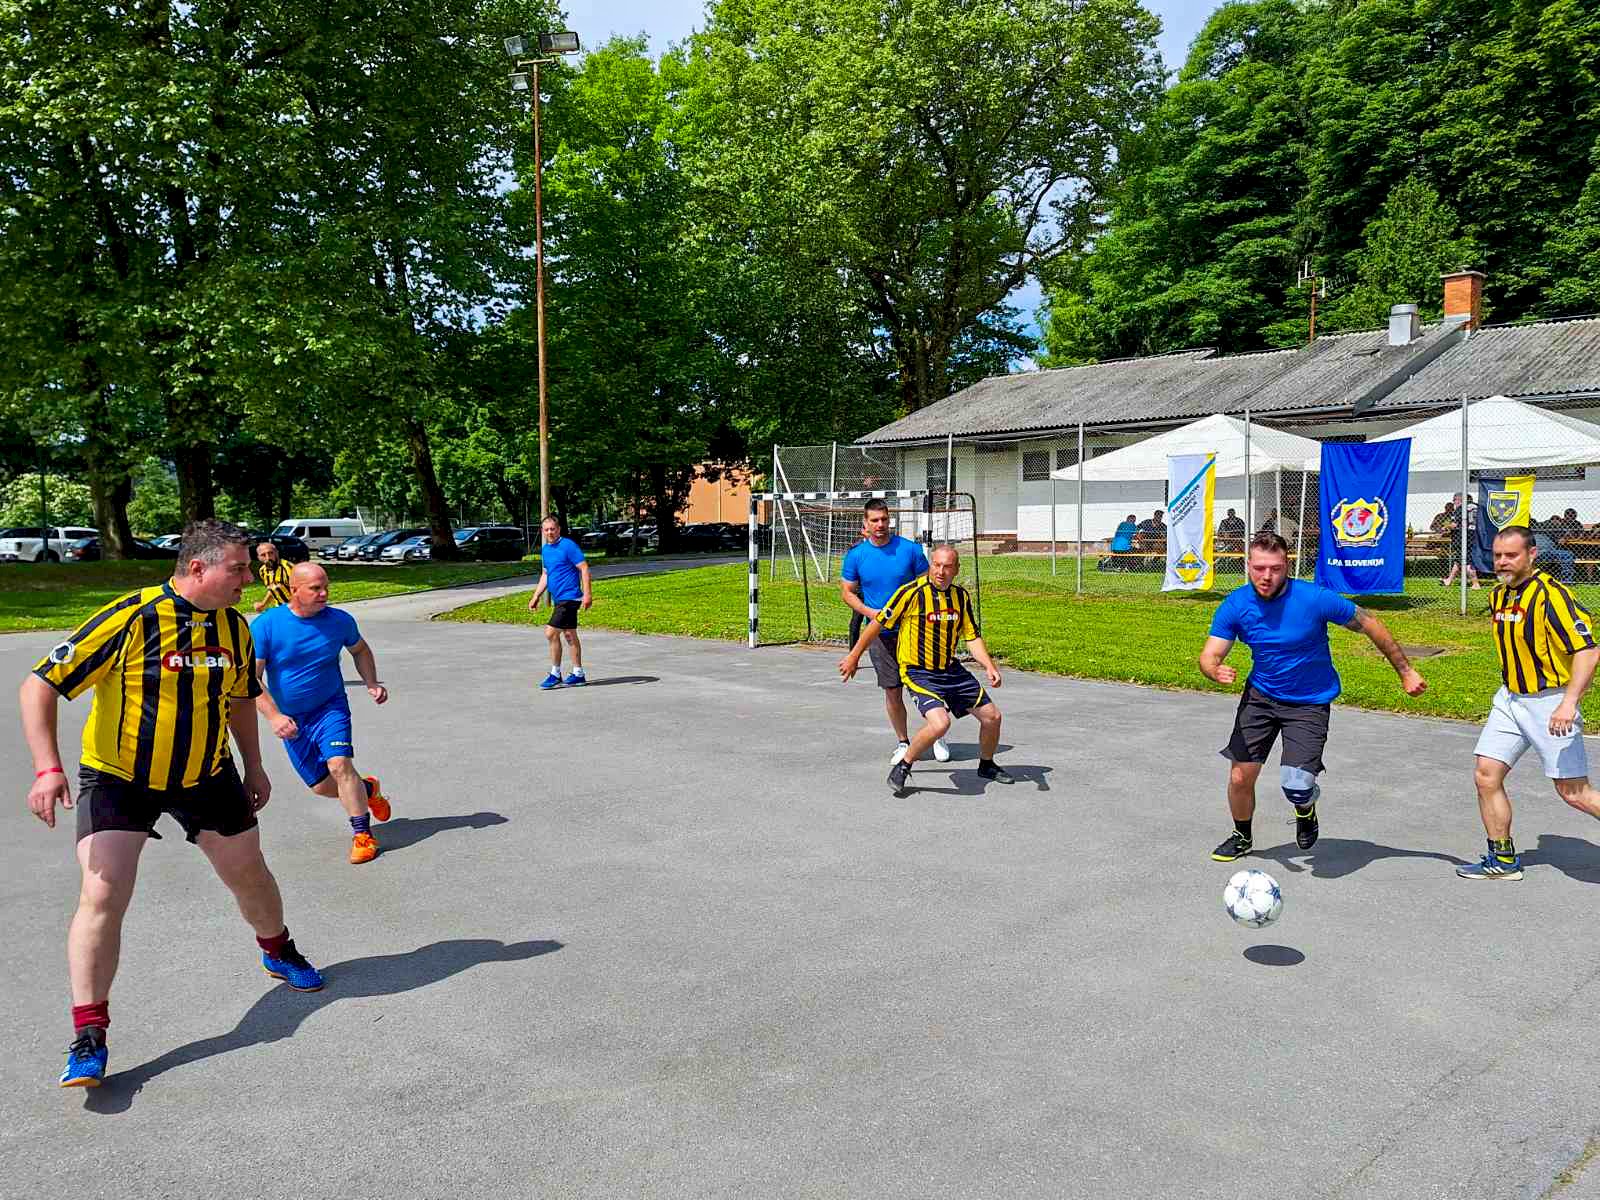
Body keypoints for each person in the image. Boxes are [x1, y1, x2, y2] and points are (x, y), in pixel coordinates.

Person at [19, 519, 325, 1089]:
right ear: (198, 568)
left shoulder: (236, 626)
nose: (250, 578)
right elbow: (40, 684)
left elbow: (238, 699)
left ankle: (278, 949)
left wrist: (253, 765)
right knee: (103, 893)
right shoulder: (130, 617)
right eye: (239, 568)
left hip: (206, 775)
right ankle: (89, 1034)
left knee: (250, 876)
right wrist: (47, 767)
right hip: (119, 779)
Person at [1198, 532, 1426, 861]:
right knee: (1240, 775)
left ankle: (1305, 809)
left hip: (1309, 702)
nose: (1266, 576)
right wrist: (1214, 669)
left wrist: (1406, 671)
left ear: (1287, 566)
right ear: (1248, 565)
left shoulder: (1314, 598)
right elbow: (1209, 655)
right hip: (1260, 698)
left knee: (1297, 785)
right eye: (1259, 567)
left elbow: (1370, 623)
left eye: (1275, 568)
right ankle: (1241, 835)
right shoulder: (1236, 604)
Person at [1458, 526, 1600, 879]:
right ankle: (1503, 860)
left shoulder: (1552, 596)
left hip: (1550, 701)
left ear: (1531, 555)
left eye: (1511, 555)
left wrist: (1568, 703)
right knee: (1485, 775)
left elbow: (1588, 652)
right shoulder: (1498, 596)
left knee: (1575, 793)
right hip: (1510, 699)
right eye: (1497, 555)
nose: (1502, 562)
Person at [839, 545, 1011, 796]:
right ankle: (904, 765)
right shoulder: (910, 593)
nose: (940, 571)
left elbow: (972, 637)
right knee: (940, 723)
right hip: (919, 671)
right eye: (936, 565)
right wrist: (854, 655)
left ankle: (986, 765)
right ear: (930, 565)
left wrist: (989, 665)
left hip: (950, 670)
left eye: (947, 566)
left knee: (992, 717)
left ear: (956, 569)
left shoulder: (961, 597)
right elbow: (877, 623)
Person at [252, 562, 392, 865]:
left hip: (330, 707)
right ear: (294, 590)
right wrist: (274, 716)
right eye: (315, 588)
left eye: (325, 586)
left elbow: (360, 650)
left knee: (340, 765)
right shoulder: (267, 624)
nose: (324, 593)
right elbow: (251, 678)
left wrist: (371, 682)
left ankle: (362, 836)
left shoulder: (340, 621)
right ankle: (368, 789)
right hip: (292, 718)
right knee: (321, 786)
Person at [839, 498, 947, 765]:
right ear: (865, 524)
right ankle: (903, 742)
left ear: (890, 520)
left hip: (915, 631)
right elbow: (847, 593)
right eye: (874, 520)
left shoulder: (909, 550)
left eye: (884, 519)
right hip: (880, 634)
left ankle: (937, 734)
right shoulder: (856, 556)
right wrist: (869, 613)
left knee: (929, 686)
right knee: (892, 690)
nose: (880, 525)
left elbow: (928, 583)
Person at [528, 516, 593, 689]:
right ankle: (578, 674)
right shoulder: (546, 550)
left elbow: (584, 567)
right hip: (559, 599)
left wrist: (587, 594)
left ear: (558, 529)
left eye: (553, 529)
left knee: (550, 633)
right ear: (542, 531)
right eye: (546, 529)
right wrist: (536, 596)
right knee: (569, 634)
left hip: (570, 597)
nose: (550, 532)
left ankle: (555, 673)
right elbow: (546, 574)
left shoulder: (568, 545)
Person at [1441, 492, 1480, 589]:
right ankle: (1448, 580)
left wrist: (1446, 526)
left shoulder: (1461, 508)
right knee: (1459, 560)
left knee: (1467, 561)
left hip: (1463, 537)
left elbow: (1455, 524)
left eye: (1454, 500)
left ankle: (1475, 583)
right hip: (1475, 536)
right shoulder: (1476, 507)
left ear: (1459, 500)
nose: (1454, 503)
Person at [253, 540, 292, 613]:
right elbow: (273, 589)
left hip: (296, 609)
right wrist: (263, 604)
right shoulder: (263, 571)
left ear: (277, 553)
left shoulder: (289, 568)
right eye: (263, 555)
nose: (268, 558)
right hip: (280, 609)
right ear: (259, 558)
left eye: (270, 553)